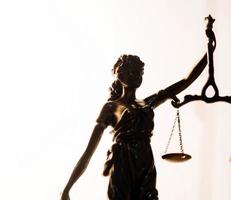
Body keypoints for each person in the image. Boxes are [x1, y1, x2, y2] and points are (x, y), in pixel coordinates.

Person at [61, 54, 208, 200]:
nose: (137, 76)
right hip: (123, 162)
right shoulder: (111, 107)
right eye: (132, 71)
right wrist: (67, 188)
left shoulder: (147, 103)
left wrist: (209, 53)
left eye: (139, 72)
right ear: (120, 75)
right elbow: (89, 152)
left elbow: (186, 80)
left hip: (145, 161)